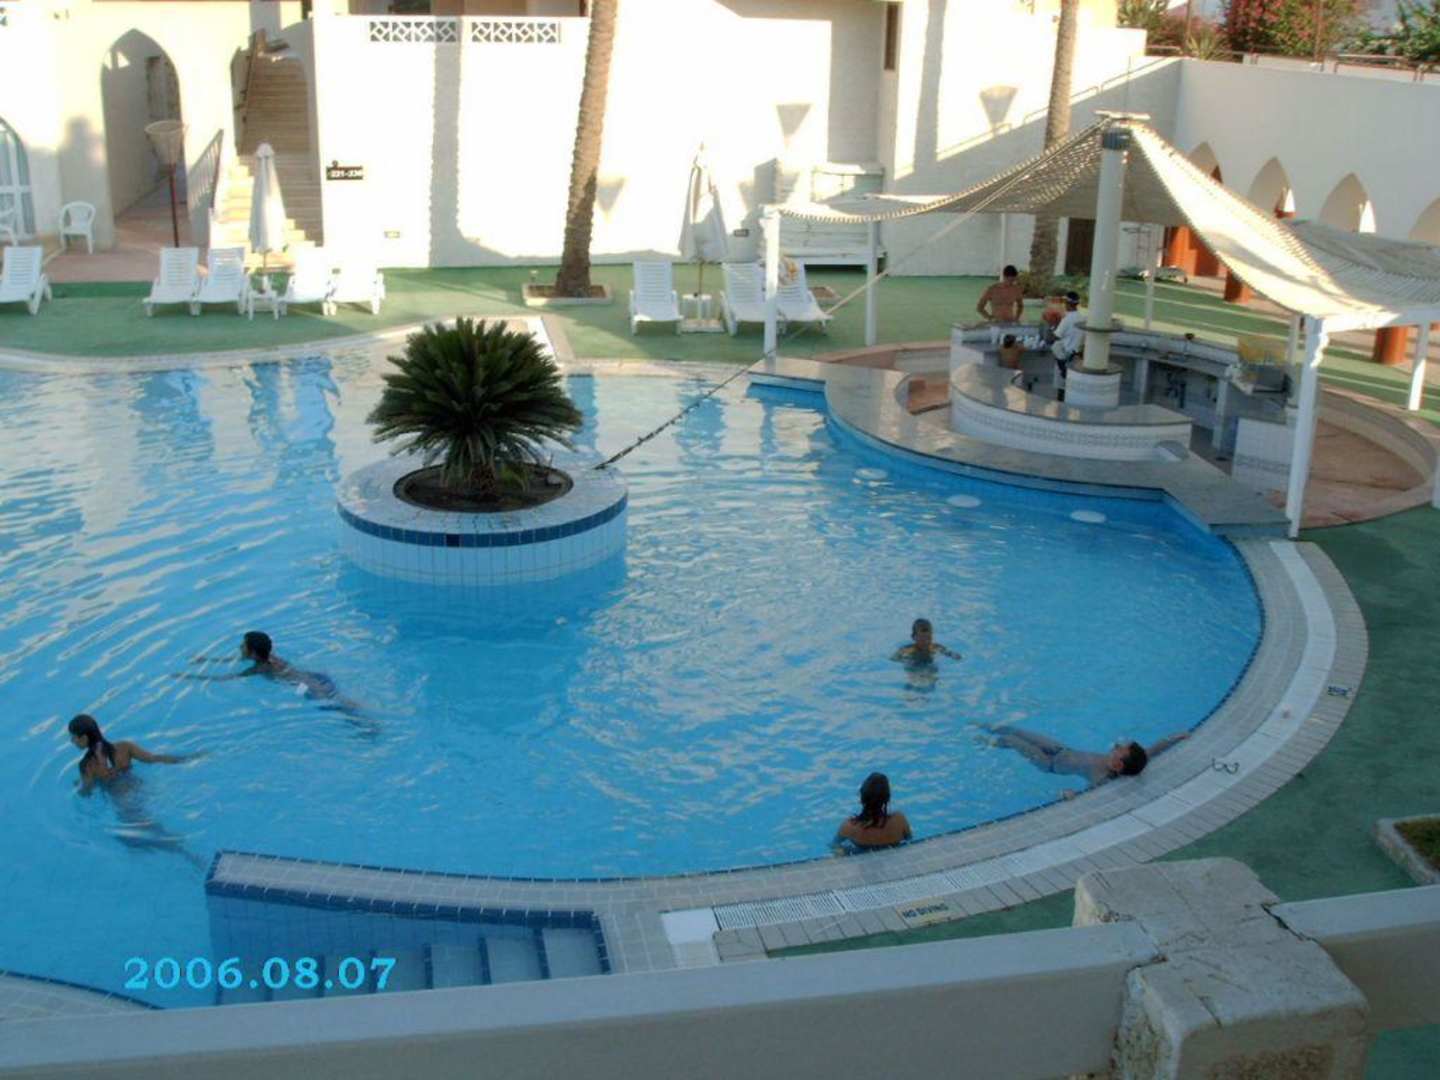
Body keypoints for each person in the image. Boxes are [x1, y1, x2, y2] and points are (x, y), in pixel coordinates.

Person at [184, 631, 368, 720]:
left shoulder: (260, 669)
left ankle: (365, 720)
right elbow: (237, 659)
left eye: (243, 646)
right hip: (316, 677)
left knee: (339, 706)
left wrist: (192, 677)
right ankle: (361, 708)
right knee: (340, 699)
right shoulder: (270, 656)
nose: (240, 647)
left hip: (307, 688)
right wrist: (205, 660)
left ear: (253, 653)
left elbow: (226, 678)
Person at [984, 725, 1189, 797]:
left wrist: (1072, 795)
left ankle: (983, 742)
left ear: (1118, 765)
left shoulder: (1101, 775)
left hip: (1049, 763)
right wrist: (1174, 738)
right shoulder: (1135, 759)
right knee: (1016, 731)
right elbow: (1152, 750)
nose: (1116, 745)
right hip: (1061, 749)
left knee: (1011, 741)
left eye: (1119, 749)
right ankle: (982, 725)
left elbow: (1091, 792)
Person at [68, 713, 193, 793]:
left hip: (120, 796)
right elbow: (153, 759)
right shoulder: (125, 747)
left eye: (73, 738)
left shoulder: (87, 765)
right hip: (138, 786)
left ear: (84, 738)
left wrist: (79, 785)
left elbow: (87, 792)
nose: (72, 741)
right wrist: (186, 759)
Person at [834, 772, 912, 851]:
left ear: (862, 797)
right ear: (887, 799)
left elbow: (835, 847)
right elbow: (909, 842)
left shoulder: (848, 827)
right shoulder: (899, 821)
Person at [1050, 291, 1084, 402]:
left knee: (1062, 387)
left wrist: (1052, 327)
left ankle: (1061, 408)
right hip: (1077, 356)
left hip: (1064, 357)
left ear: (1067, 303)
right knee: (1073, 386)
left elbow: (1055, 337)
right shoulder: (1083, 318)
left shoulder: (1066, 319)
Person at [891, 618, 962, 665]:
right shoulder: (909, 649)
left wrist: (955, 656)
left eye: (929, 637)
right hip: (914, 666)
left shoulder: (936, 647)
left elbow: (949, 653)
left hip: (930, 665)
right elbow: (894, 658)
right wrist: (905, 660)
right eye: (922, 638)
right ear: (913, 637)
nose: (926, 642)